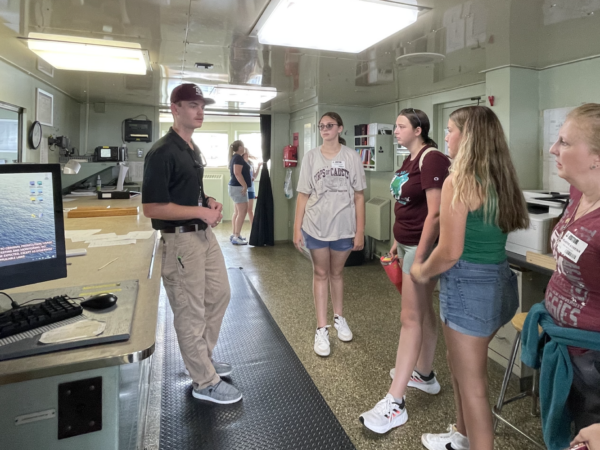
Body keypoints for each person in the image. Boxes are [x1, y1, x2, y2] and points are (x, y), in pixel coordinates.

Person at [410, 106, 529, 450]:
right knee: (460, 366)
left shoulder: (457, 181)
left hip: (469, 289)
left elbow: (449, 252)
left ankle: (474, 442)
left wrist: (420, 270)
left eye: (450, 130)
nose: (445, 136)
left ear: (469, 136)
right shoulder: (501, 180)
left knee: (473, 383)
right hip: (500, 285)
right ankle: (461, 437)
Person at [142, 83, 242, 404]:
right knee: (190, 310)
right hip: (180, 241)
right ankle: (203, 381)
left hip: (203, 234)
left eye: (202, 106)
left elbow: (190, 191)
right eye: (192, 105)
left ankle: (203, 360)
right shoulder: (162, 152)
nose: (199, 111)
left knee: (220, 294)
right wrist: (199, 210)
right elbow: (153, 207)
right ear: (175, 108)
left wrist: (208, 201)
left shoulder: (191, 148)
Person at [360, 108, 451, 434]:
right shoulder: (409, 160)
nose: (395, 131)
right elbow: (410, 207)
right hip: (409, 245)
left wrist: (422, 255)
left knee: (409, 318)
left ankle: (395, 404)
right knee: (422, 312)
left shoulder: (433, 158)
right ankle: (424, 375)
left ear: (418, 129)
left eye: (400, 126)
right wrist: (399, 241)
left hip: (422, 250)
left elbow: (436, 213)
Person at [521, 103, 600, 450]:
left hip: (593, 362)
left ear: (596, 157)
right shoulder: (577, 193)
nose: (553, 149)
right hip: (565, 348)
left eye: (565, 143)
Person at [293, 112, 366, 357]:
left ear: (340, 128)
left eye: (330, 125)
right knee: (320, 273)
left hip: (344, 227)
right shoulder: (311, 157)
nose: (325, 129)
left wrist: (360, 232)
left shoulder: (351, 157)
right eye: (321, 126)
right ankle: (321, 328)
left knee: (337, 273)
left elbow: (358, 196)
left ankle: (339, 318)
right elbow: (303, 194)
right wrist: (296, 229)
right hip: (315, 225)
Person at [228, 140, 251, 245]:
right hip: (238, 188)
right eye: (243, 145)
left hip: (235, 187)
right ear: (240, 147)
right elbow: (237, 173)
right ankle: (236, 236)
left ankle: (235, 234)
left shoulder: (236, 157)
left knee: (237, 212)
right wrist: (244, 185)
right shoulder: (237, 157)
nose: (244, 147)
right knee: (242, 212)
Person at [243, 148, 263, 224]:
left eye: (247, 152)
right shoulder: (241, 163)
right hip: (243, 189)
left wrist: (258, 167)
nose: (246, 154)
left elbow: (254, 175)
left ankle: (253, 228)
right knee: (241, 210)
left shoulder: (251, 163)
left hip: (251, 188)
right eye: (245, 152)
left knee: (250, 210)